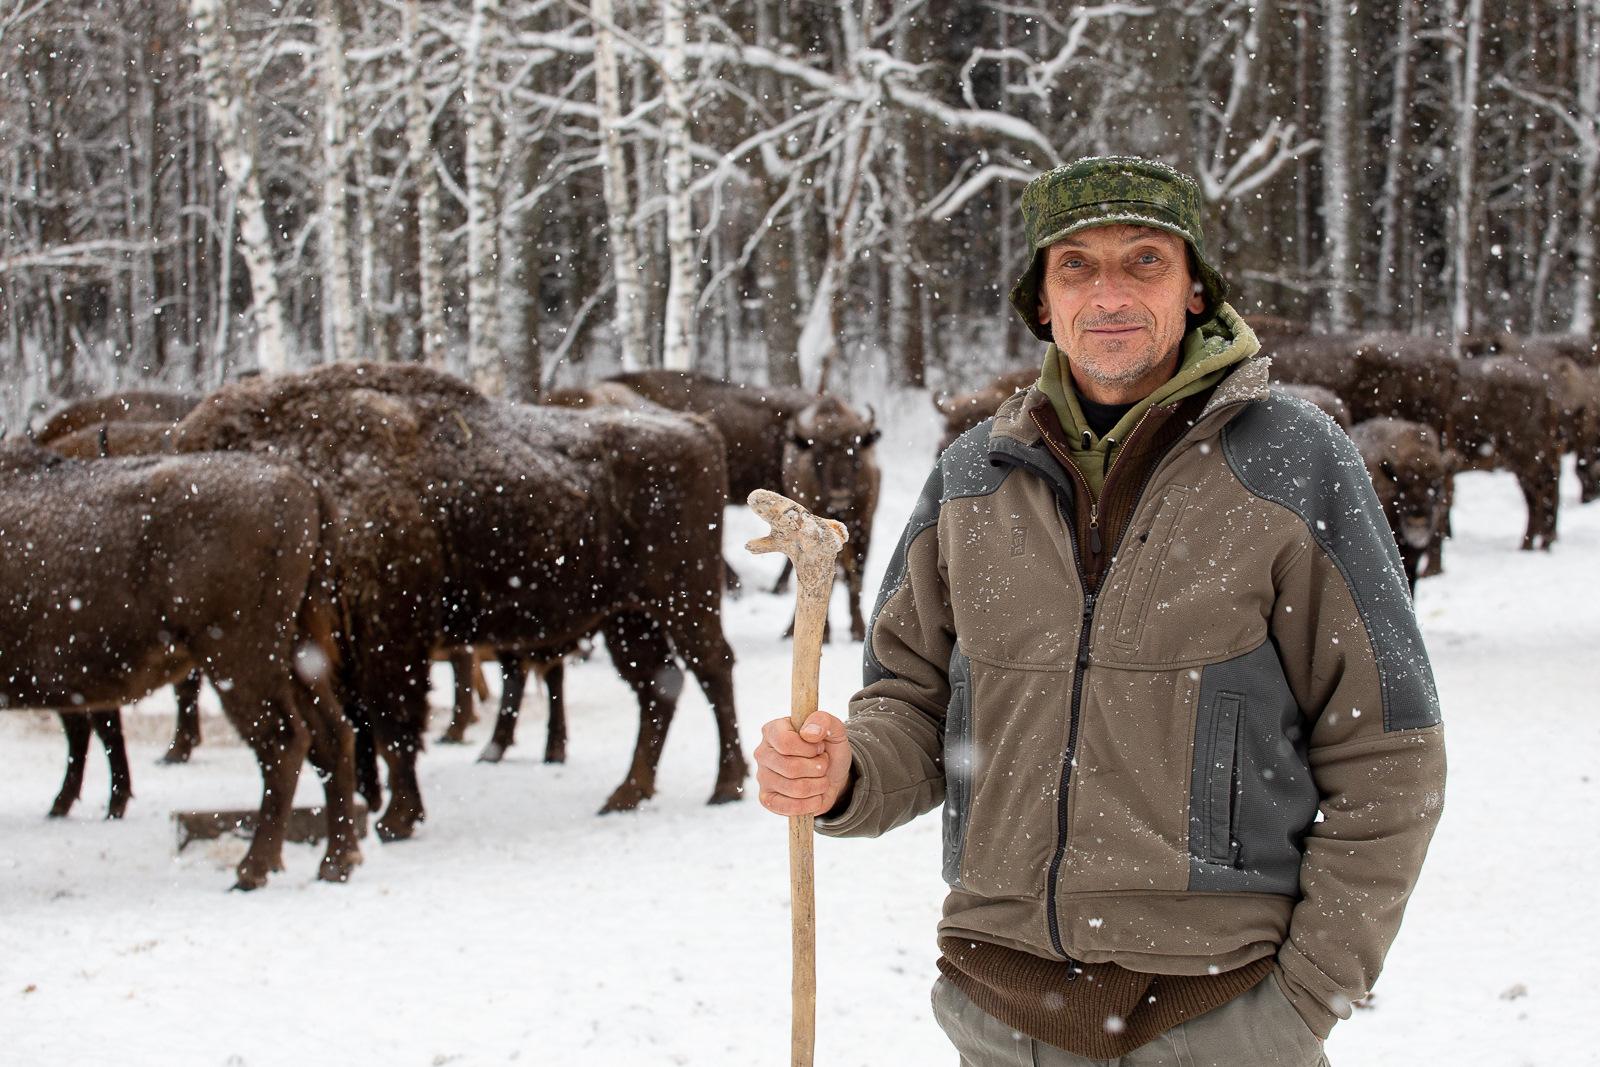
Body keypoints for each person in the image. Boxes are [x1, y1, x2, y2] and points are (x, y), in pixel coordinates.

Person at [753, 156, 1446, 1066]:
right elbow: (912, 708)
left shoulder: (1295, 463)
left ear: (1196, 288)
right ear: (1042, 300)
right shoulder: (972, 476)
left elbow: (1390, 751)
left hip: (1218, 1020)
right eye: (1075, 264)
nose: (1109, 292)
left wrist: (1303, 998)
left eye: (1145, 261)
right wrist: (846, 770)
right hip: (999, 1019)